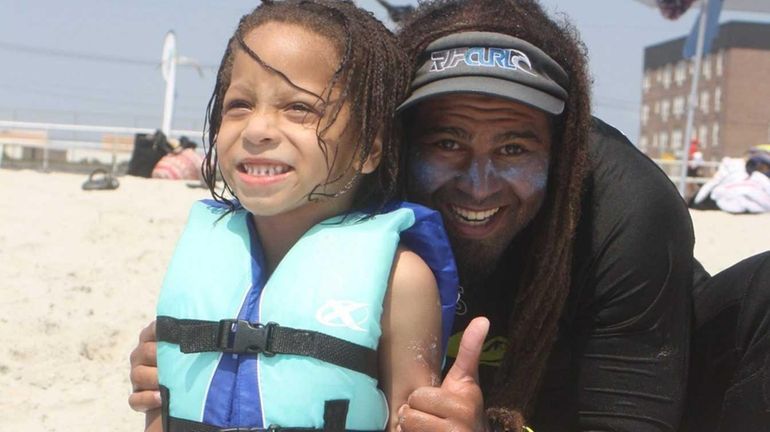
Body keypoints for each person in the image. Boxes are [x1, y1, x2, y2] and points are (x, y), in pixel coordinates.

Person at [130, 0, 770, 430]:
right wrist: (203, 354)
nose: (478, 182)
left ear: (565, 153)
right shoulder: (345, 191)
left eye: (514, 148)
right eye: (446, 142)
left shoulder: (624, 207)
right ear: (389, 140)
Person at [142, 1, 458, 431]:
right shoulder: (203, 254)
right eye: (239, 105)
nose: (257, 130)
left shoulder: (401, 280)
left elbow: (412, 420)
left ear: (368, 148)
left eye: (299, 108)